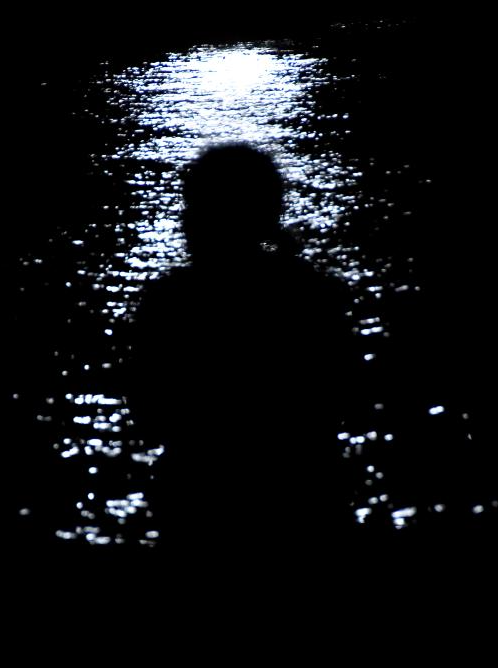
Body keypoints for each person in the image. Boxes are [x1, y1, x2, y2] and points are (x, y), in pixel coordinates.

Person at [130, 144, 360, 560]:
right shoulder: (315, 295)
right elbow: (344, 399)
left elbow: (149, 413)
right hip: (306, 499)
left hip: (198, 502)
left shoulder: (170, 301)